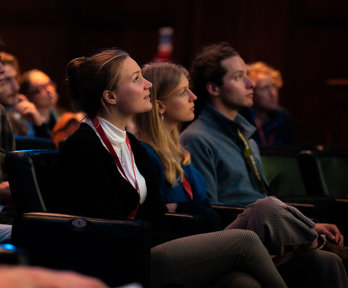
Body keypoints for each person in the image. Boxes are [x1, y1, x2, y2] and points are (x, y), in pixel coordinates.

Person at [54, 48, 287, 287]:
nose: (148, 85)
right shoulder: (82, 147)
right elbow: (102, 224)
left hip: (149, 246)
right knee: (245, 241)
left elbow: (157, 216)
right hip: (120, 257)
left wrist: (189, 241)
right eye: (136, 79)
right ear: (110, 97)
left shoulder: (135, 145)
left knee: (239, 282)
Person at [180, 42, 348, 287]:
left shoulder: (244, 136)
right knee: (273, 213)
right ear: (214, 88)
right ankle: (314, 239)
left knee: (326, 262)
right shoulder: (197, 139)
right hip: (240, 237)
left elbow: (262, 195)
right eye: (239, 77)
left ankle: (312, 238)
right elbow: (210, 212)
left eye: (248, 75)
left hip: (268, 232)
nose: (251, 84)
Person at [135, 62, 223, 233]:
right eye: (183, 92)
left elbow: (203, 205)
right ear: (160, 106)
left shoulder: (180, 153)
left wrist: (184, 208)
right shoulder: (145, 153)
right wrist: (190, 209)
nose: (193, 97)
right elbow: (158, 216)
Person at [240, 61, 297, 147]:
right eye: (264, 88)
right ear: (250, 92)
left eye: (274, 86)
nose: (273, 93)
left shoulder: (282, 117)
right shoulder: (241, 118)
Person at [19, 69, 59, 138]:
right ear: (28, 97)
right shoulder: (22, 126)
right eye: (40, 89)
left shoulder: (60, 117)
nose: (49, 90)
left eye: (49, 84)